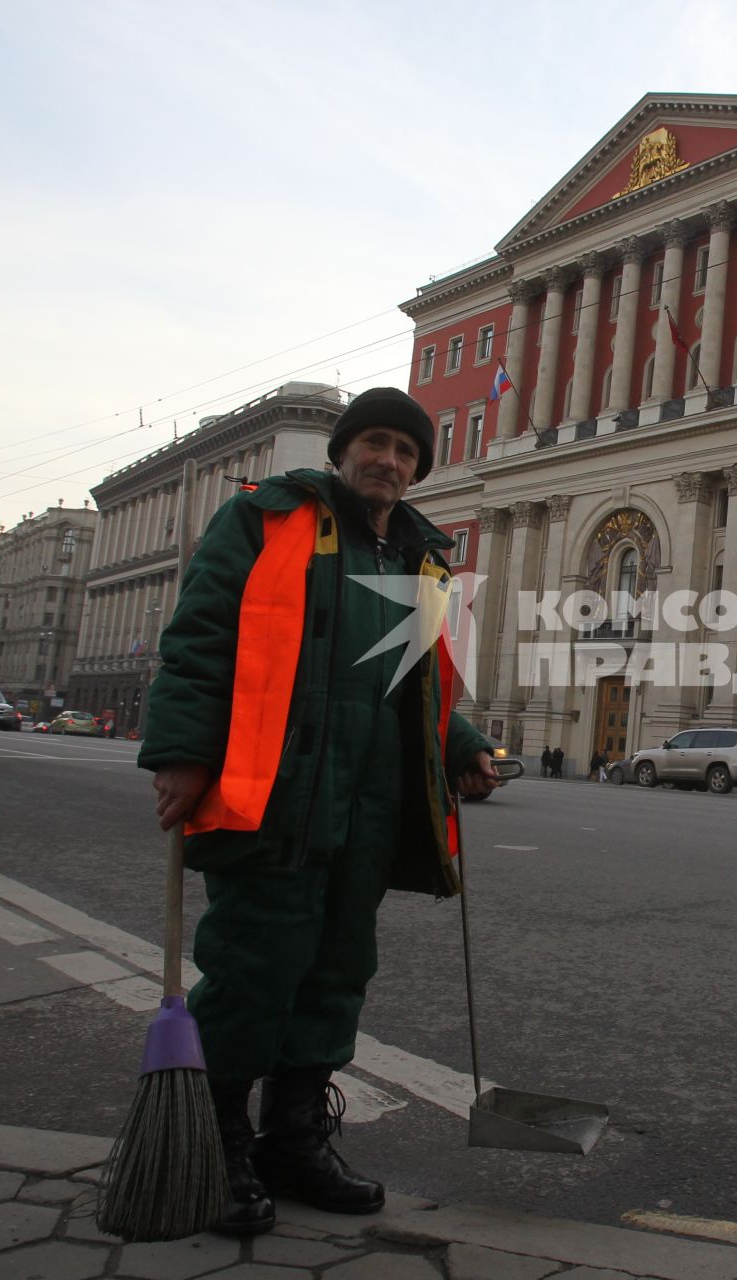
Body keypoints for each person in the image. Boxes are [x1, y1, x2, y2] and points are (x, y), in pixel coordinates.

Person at [140, 386, 500, 1236]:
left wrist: (463, 742)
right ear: (344, 450)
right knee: (253, 970)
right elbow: (200, 638)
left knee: (337, 973)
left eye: (408, 452)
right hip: (277, 790)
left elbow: (420, 685)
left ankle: (293, 1139)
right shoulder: (268, 522)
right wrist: (183, 752)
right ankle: (218, 1142)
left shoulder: (421, 560)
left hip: (373, 805)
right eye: (376, 443)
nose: (391, 461)